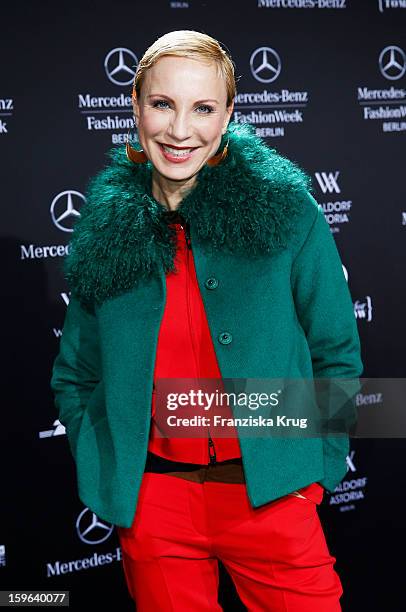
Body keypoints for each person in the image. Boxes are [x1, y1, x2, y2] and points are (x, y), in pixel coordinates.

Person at [51, 29, 363, 611]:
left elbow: (335, 352)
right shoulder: (104, 228)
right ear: (136, 105)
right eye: (162, 104)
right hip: (156, 506)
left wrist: (314, 473)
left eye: (202, 108)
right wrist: (108, 461)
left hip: (272, 494)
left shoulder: (287, 212)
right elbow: (76, 374)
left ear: (227, 116)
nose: (179, 130)